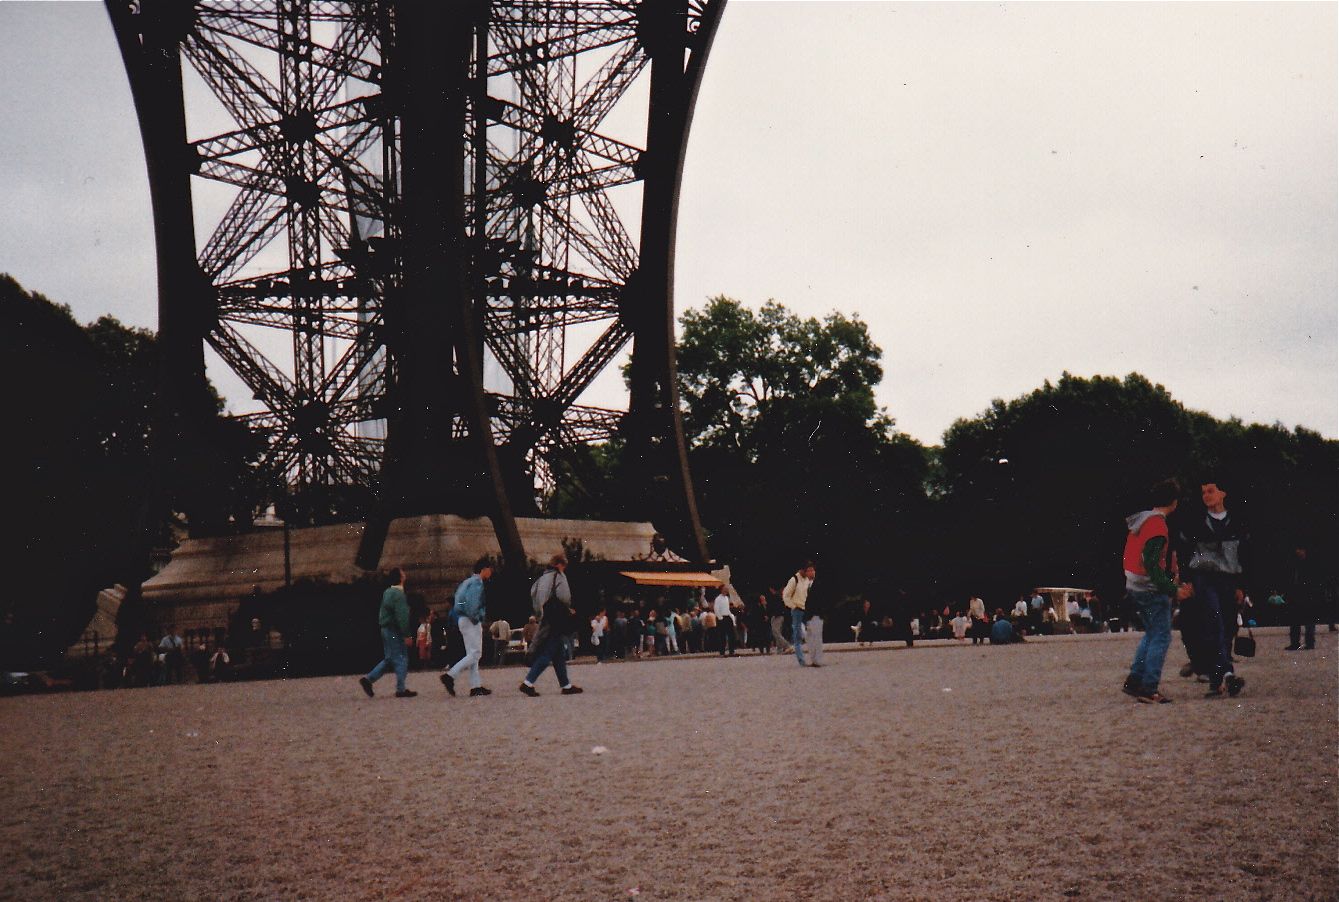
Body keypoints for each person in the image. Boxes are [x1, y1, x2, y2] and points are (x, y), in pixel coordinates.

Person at [1177, 478, 1247, 697]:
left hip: (1228, 579)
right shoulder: (1195, 522)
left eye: (1210, 491)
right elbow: (1183, 552)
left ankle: (1217, 682)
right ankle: (1227, 673)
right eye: (1203, 492)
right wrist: (1187, 580)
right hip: (1204, 578)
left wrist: (1242, 585)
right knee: (1214, 622)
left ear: (1223, 493)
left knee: (1226, 627)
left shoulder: (1238, 522)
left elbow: (1246, 555)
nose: (1206, 496)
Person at [1121, 479, 1188, 704]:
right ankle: (1149, 687)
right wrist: (1173, 589)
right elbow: (1152, 565)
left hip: (1134, 585)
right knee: (1161, 635)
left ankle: (1135, 679)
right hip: (1150, 589)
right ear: (1174, 502)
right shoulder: (1158, 526)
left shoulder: (1142, 521)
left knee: (1151, 633)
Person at [519, 554, 583, 696]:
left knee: (558, 653)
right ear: (559, 565)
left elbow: (533, 594)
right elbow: (564, 596)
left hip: (545, 616)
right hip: (556, 617)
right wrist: (568, 609)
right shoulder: (558, 576)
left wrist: (540, 612)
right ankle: (528, 682)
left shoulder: (542, 578)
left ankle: (566, 685)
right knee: (548, 652)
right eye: (564, 566)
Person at [359, 567, 417, 698]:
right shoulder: (399, 594)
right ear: (400, 578)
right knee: (401, 658)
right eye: (403, 573)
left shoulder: (388, 592)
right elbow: (402, 616)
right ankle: (401, 689)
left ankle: (369, 679)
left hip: (385, 628)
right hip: (394, 630)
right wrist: (407, 634)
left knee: (390, 658)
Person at [441, 560, 494, 698]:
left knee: (472, 654)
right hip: (471, 620)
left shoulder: (467, 582)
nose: (491, 572)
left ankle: (475, 686)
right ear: (484, 569)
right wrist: (477, 617)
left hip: (463, 619)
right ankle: (450, 675)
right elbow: (473, 604)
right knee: (475, 653)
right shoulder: (477, 583)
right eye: (490, 569)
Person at [782, 562, 815, 666]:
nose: (810, 572)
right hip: (797, 610)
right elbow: (785, 595)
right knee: (797, 637)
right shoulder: (794, 580)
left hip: (805, 609)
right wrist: (793, 606)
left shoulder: (807, 580)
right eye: (808, 570)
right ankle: (801, 661)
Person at [1285, 545, 1317, 651]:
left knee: (1309, 621)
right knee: (1295, 620)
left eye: (1300, 550)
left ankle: (1310, 643)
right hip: (1296, 595)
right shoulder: (1295, 564)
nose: (1298, 552)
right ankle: (1295, 643)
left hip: (1307, 595)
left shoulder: (1309, 565)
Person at [766, 585, 792, 654]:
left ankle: (787, 645)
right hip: (780, 616)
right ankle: (779, 649)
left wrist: (771, 615)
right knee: (778, 632)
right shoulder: (780, 597)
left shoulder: (775, 597)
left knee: (776, 632)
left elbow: (772, 608)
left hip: (777, 616)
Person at [712, 586, 738, 656]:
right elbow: (716, 608)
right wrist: (720, 617)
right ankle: (722, 652)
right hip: (721, 617)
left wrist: (731, 617)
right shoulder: (718, 599)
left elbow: (727, 609)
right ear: (721, 590)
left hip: (727, 616)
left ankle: (731, 651)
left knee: (731, 635)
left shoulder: (727, 598)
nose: (726, 591)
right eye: (724, 589)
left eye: (726, 589)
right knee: (722, 635)